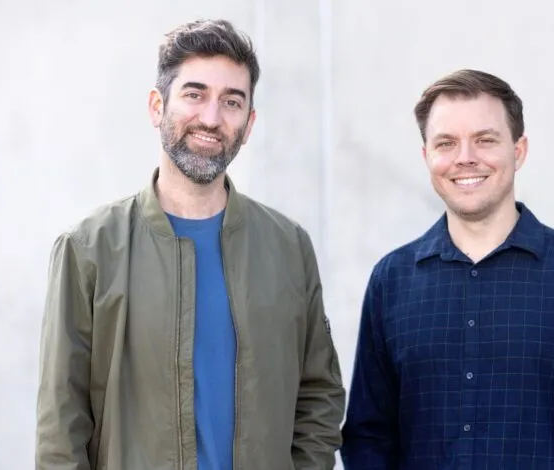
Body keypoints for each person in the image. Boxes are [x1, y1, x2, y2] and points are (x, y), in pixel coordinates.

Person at [35, 18, 345, 470]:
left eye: (232, 102)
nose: (212, 118)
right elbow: (60, 428)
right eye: (195, 94)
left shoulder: (288, 247)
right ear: (157, 106)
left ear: (249, 123)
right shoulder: (88, 250)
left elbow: (320, 395)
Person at [340, 69, 554, 469]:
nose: (465, 157)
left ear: (518, 151)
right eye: (446, 143)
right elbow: (368, 436)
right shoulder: (392, 281)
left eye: (485, 140)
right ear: (426, 157)